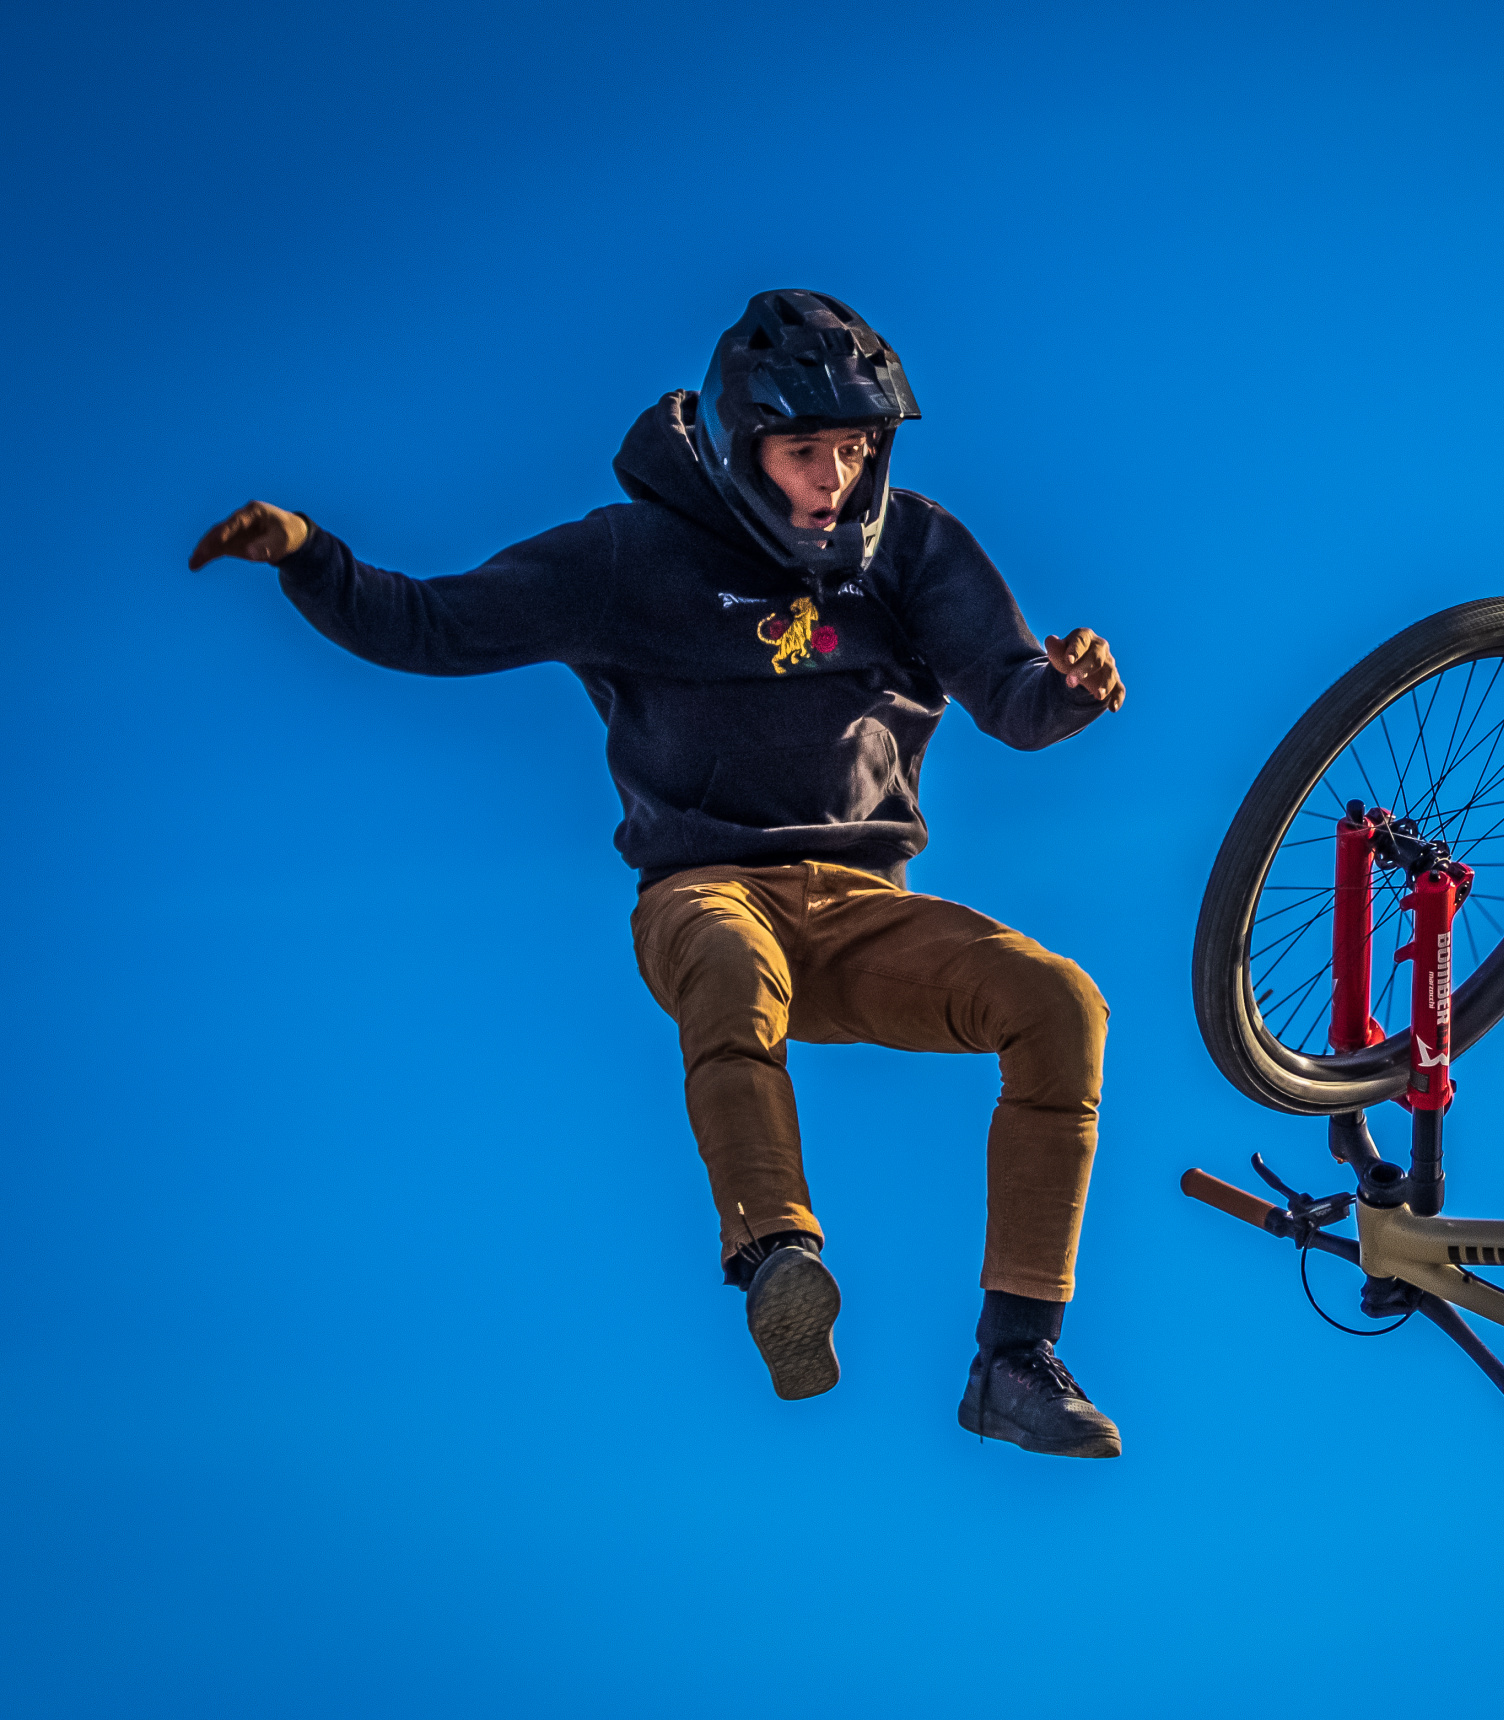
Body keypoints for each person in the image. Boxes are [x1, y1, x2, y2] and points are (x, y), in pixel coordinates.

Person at [189, 289, 1127, 1458]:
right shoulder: (628, 557)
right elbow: (433, 624)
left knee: (1059, 1001)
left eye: (855, 449)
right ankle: (778, 1257)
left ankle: (1014, 1360)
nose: (833, 480)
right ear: (741, 445)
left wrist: (1070, 689)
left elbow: (1014, 698)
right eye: (804, 453)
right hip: (703, 888)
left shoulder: (913, 548)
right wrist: (310, 557)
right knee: (731, 964)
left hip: (862, 911)